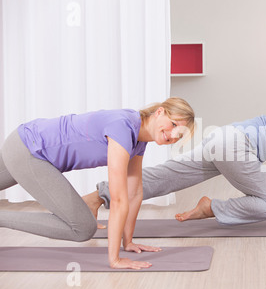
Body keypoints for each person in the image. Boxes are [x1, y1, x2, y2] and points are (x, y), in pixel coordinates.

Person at [84, 84, 266, 234]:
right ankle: (211, 207)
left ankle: (96, 197)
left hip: (226, 138)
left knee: (167, 175)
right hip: (236, 145)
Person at [0, 98, 195, 269]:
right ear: (159, 111)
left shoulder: (139, 141)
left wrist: (128, 242)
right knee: (83, 228)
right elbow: (119, 199)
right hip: (31, 151)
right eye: (173, 124)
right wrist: (115, 259)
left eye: (179, 135)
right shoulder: (123, 128)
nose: (173, 135)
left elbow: (134, 193)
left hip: (22, 142)